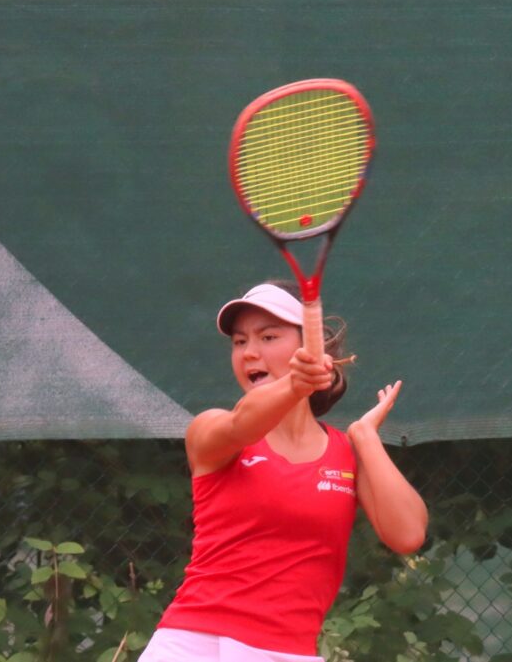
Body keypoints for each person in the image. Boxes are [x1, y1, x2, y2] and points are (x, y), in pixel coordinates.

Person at [138, 281, 429, 662]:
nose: (249, 352)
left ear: (311, 348)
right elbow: (243, 423)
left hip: (291, 653)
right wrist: (295, 383)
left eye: (268, 337)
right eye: (240, 341)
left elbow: (408, 534)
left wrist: (365, 438)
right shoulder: (211, 430)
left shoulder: (346, 453)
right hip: (195, 646)